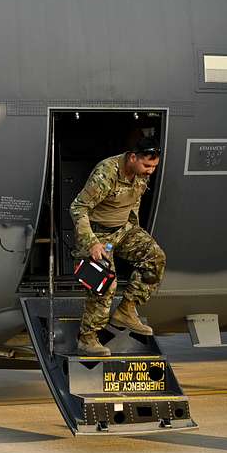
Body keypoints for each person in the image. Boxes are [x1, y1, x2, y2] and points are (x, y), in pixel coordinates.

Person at [70, 137, 166, 357]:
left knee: (155, 257)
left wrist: (137, 234)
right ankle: (88, 338)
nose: (150, 171)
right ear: (132, 157)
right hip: (96, 233)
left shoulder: (141, 174)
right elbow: (78, 207)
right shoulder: (107, 173)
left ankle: (127, 310)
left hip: (122, 231)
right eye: (147, 165)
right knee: (105, 283)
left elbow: (134, 204)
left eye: (154, 166)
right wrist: (92, 243)